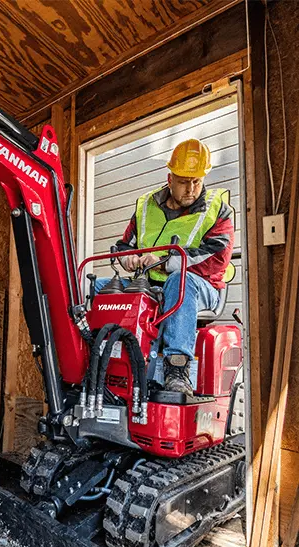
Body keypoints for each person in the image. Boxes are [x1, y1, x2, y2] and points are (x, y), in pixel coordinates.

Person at [95, 139, 234, 396]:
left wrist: (164, 261)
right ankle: (96, 358)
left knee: (180, 281)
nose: (191, 189)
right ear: (170, 179)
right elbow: (125, 244)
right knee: (96, 287)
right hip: (150, 284)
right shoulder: (146, 207)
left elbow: (216, 257)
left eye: (197, 181)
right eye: (184, 181)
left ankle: (177, 368)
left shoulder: (217, 210)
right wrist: (129, 259)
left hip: (199, 286)